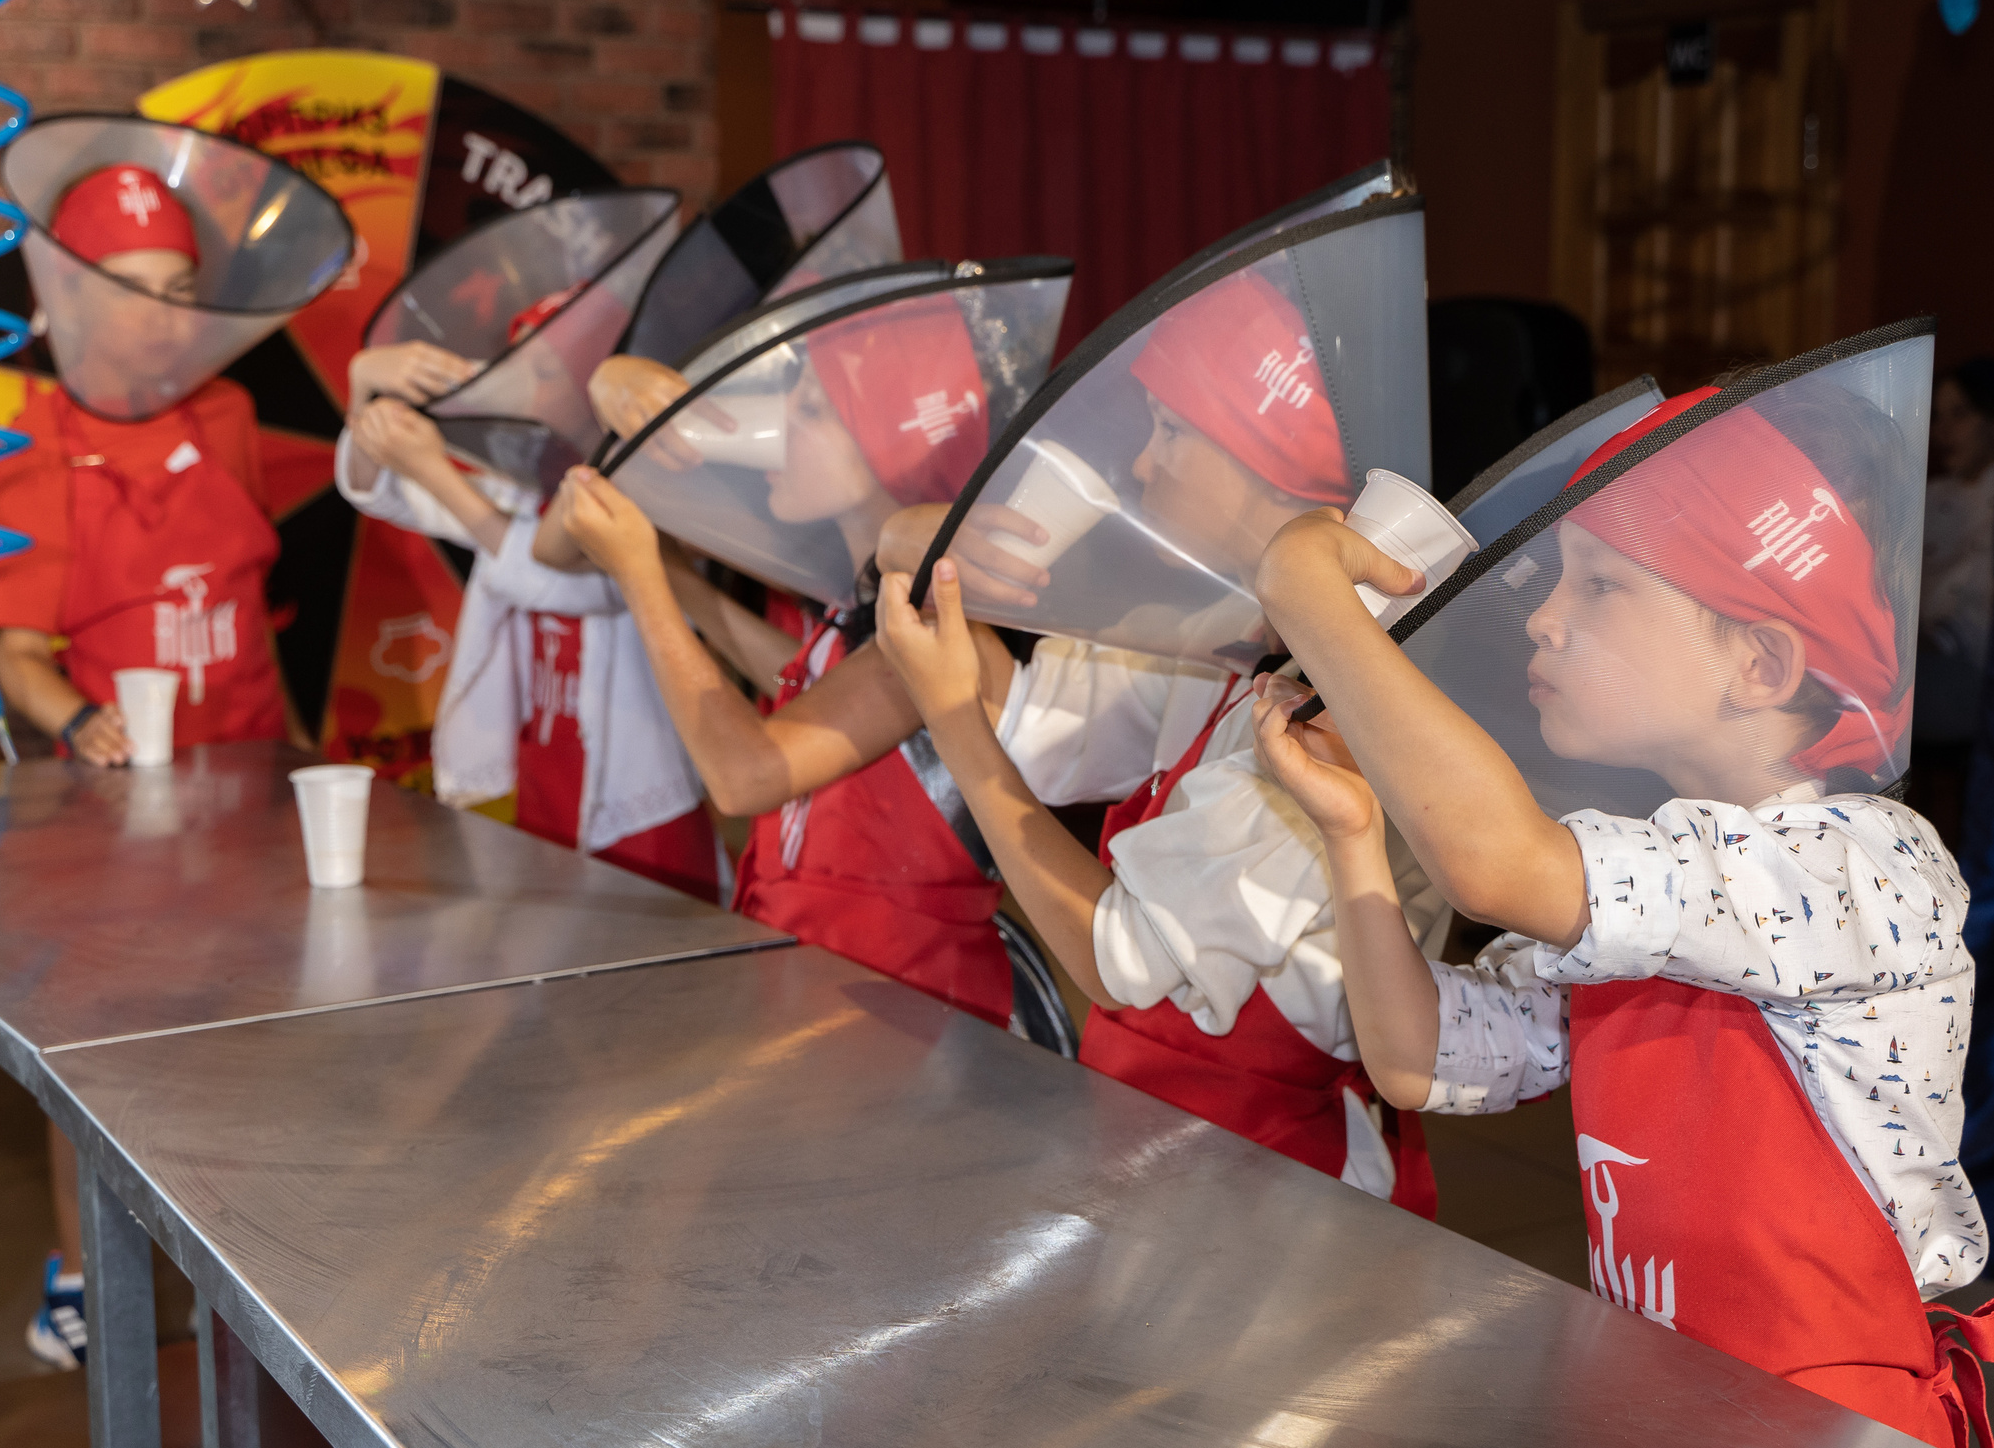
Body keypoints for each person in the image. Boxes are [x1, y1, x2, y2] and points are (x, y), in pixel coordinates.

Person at [1248, 362, 1994, 1448]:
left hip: (1830, 1447)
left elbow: (1492, 865)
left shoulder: (1861, 865)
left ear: (1759, 660)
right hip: (1669, 1411)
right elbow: (1421, 1056)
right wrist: (1351, 836)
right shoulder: (1647, 875)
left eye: (1601, 585)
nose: (1544, 620)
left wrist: (1314, 600)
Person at [873, 271, 1446, 1214]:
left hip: (1282, 1203)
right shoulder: (1228, 624)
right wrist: (918, 551)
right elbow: (1039, 721)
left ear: (1269, 462)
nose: (1142, 465)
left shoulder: (1334, 702)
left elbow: (1117, 958)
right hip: (1154, 1151)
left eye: (1171, 432)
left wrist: (952, 726)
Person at [0, 163, 299, 1368]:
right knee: (97, 1060)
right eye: (134, 288)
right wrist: (79, 725)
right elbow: (19, 656)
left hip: (245, 784)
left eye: (180, 289)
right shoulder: (28, 439)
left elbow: (252, 605)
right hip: (112, 815)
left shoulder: (228, 416)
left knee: (239, 1044)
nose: (164, 317)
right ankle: (81, 1278)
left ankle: (237, 1269)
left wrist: (293, 746)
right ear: (70, 298)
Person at [545, 294, 1040, 1029]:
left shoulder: (934, 626)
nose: (777, 434)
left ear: (892, 447)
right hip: (824, 994)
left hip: (909, 1019)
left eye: (810, 411)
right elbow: (554, 547)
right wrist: (612, 387)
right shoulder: (854, 607)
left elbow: (745, 774)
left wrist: (644, 575)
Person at [335, 309, 724, 902]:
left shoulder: (653, 492)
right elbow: (377, 490)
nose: (521, 391)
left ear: (598, 389)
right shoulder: (524, 481)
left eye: (542, 372)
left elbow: (569, 584)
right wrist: (364, 387)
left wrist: (438, 474)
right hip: (545, 765)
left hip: (641, 793)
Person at [1916, 357, 1994, 746]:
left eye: (1960, 414)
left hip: (1982, 675)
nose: (1943, 431)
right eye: (1938, 417)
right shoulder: (1930, 497)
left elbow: (1983, 620)